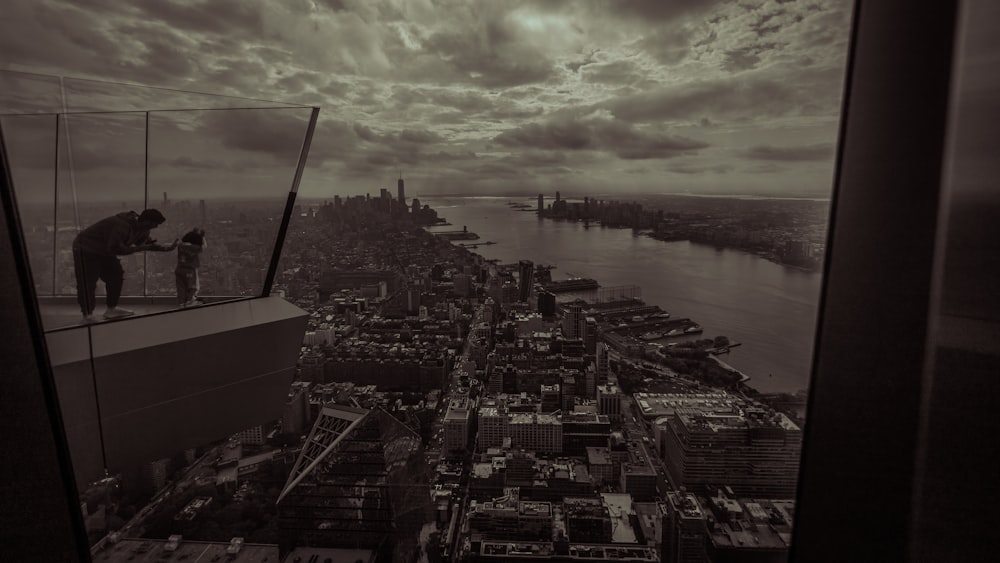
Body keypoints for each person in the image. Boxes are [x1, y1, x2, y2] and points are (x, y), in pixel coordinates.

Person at [72, 209, 177, 322]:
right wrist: (144, 248)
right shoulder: (121, 226)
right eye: (155, 224)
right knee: (88, 282)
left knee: (116, 276)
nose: (156, 227)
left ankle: (111, 309)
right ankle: (87, 315)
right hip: (86, 248)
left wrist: (166, 248)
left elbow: (146, 243)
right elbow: (116, 249)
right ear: (147, 221)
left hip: (104, 250)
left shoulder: (144, 229)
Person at [175, 228, 206, 307]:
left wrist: (193, 234)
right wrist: (202, 237)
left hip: (179, 269)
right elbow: (204, 246)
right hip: (190, 270)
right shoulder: (195, 248)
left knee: (181, 288)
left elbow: (181, 241)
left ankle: (181, 303)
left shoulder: (181, 245)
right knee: (193, 286)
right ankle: (190, 301)